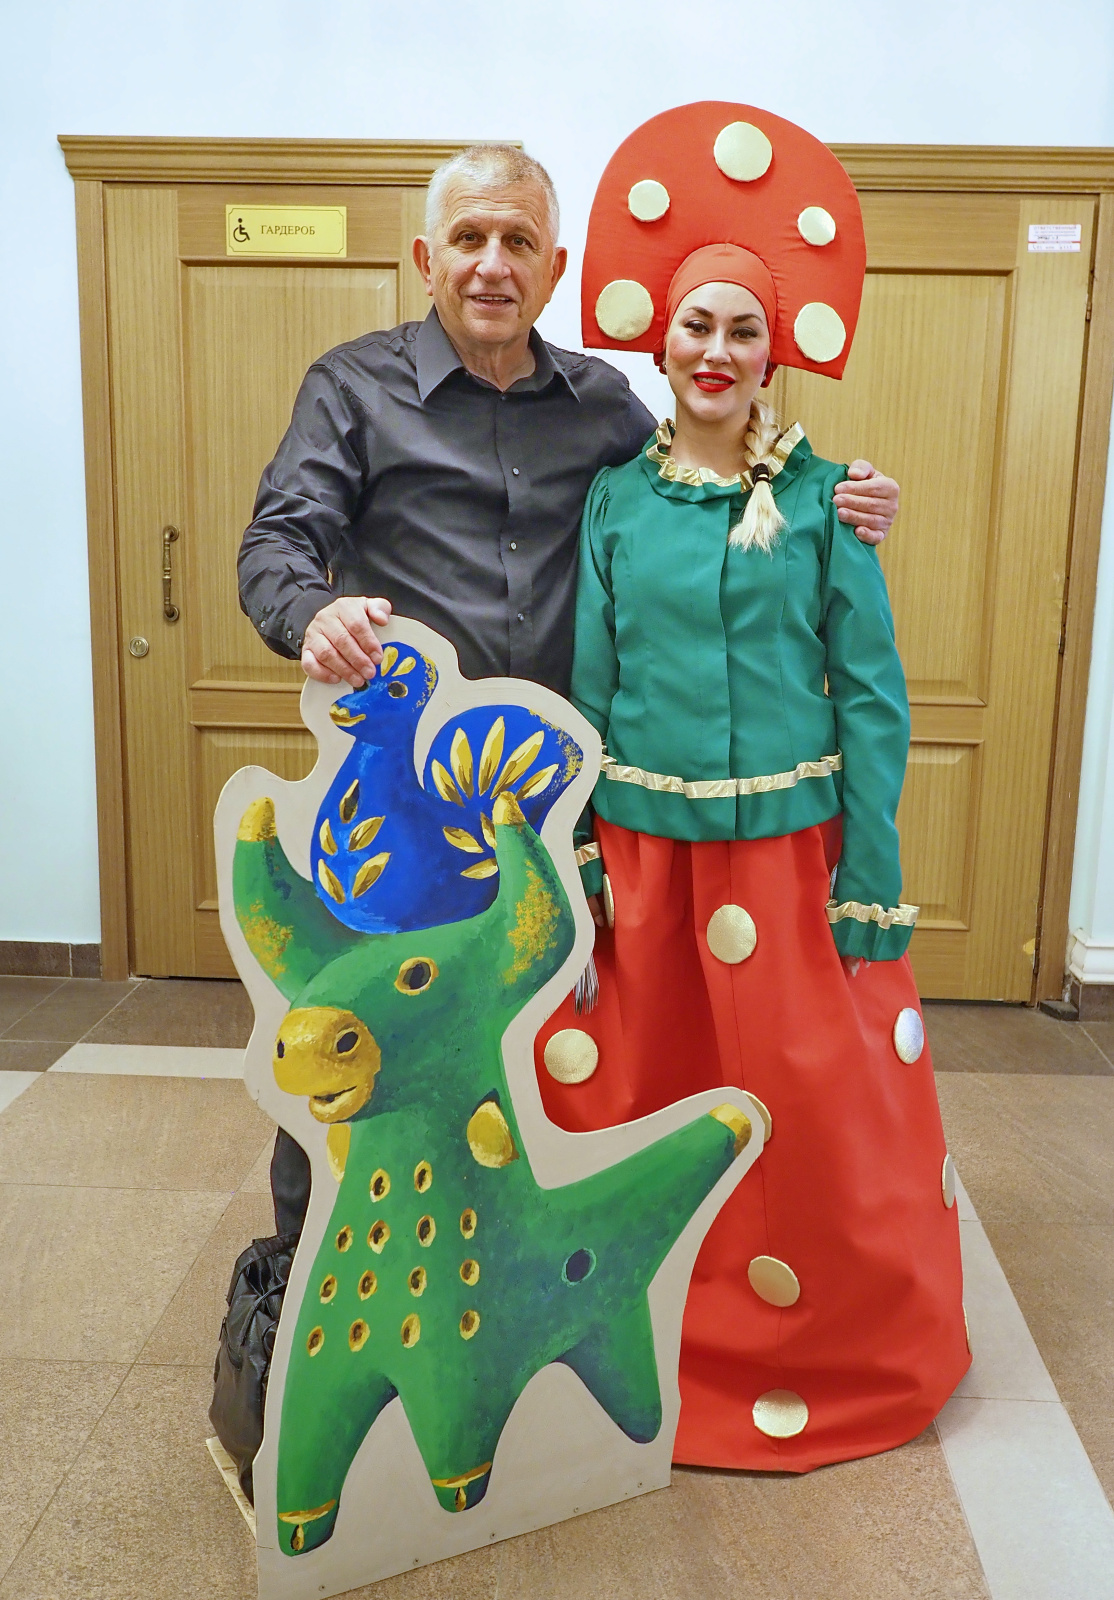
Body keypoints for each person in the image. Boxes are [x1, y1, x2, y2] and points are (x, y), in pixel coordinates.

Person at [237, 142, 902, 1238]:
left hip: (564, 801)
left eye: (520, 242)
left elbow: (709, 484)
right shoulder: (351, 389)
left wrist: (843, 494)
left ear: (555, 269)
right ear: (427, 259)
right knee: (360, 1035)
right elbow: (277, 541)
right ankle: (310, 1281)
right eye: (468, 238)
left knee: (545, 1054)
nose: (493, 264)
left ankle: (503, 1283)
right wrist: (309, 611)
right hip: (401, 801)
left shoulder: (603, 404)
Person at [534, 103, 968, 1472]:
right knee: (651, 1095)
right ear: (659, 344)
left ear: (769, 352)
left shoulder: (830, 499)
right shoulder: (615, 500)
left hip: (789, 867)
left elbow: (872, 699)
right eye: (694, 327)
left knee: (810, 1105)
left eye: (739, 330)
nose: (714, 350)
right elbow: (590, 690)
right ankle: (643, 1342)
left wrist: (871, 876)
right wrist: (584, 864)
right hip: (646, 866)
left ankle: (820, 1350)